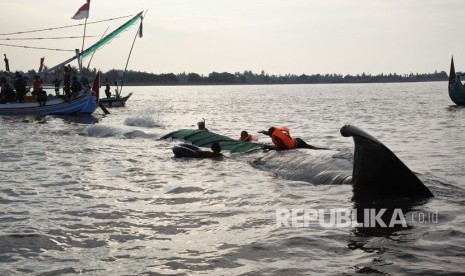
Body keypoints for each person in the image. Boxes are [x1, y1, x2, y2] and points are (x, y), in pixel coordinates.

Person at [258, 126, 328, 150]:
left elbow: (282, 148)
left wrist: (269, 147)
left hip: (299, 143)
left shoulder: (278, 138)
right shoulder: (275, 134)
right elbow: (269, 133)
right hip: (297, 140)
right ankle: (327, 149)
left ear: (272, 133)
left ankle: (327, 149)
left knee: (313, 148)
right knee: (312, 147)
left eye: (270, 134)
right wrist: (263, 132)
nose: (269, 135)